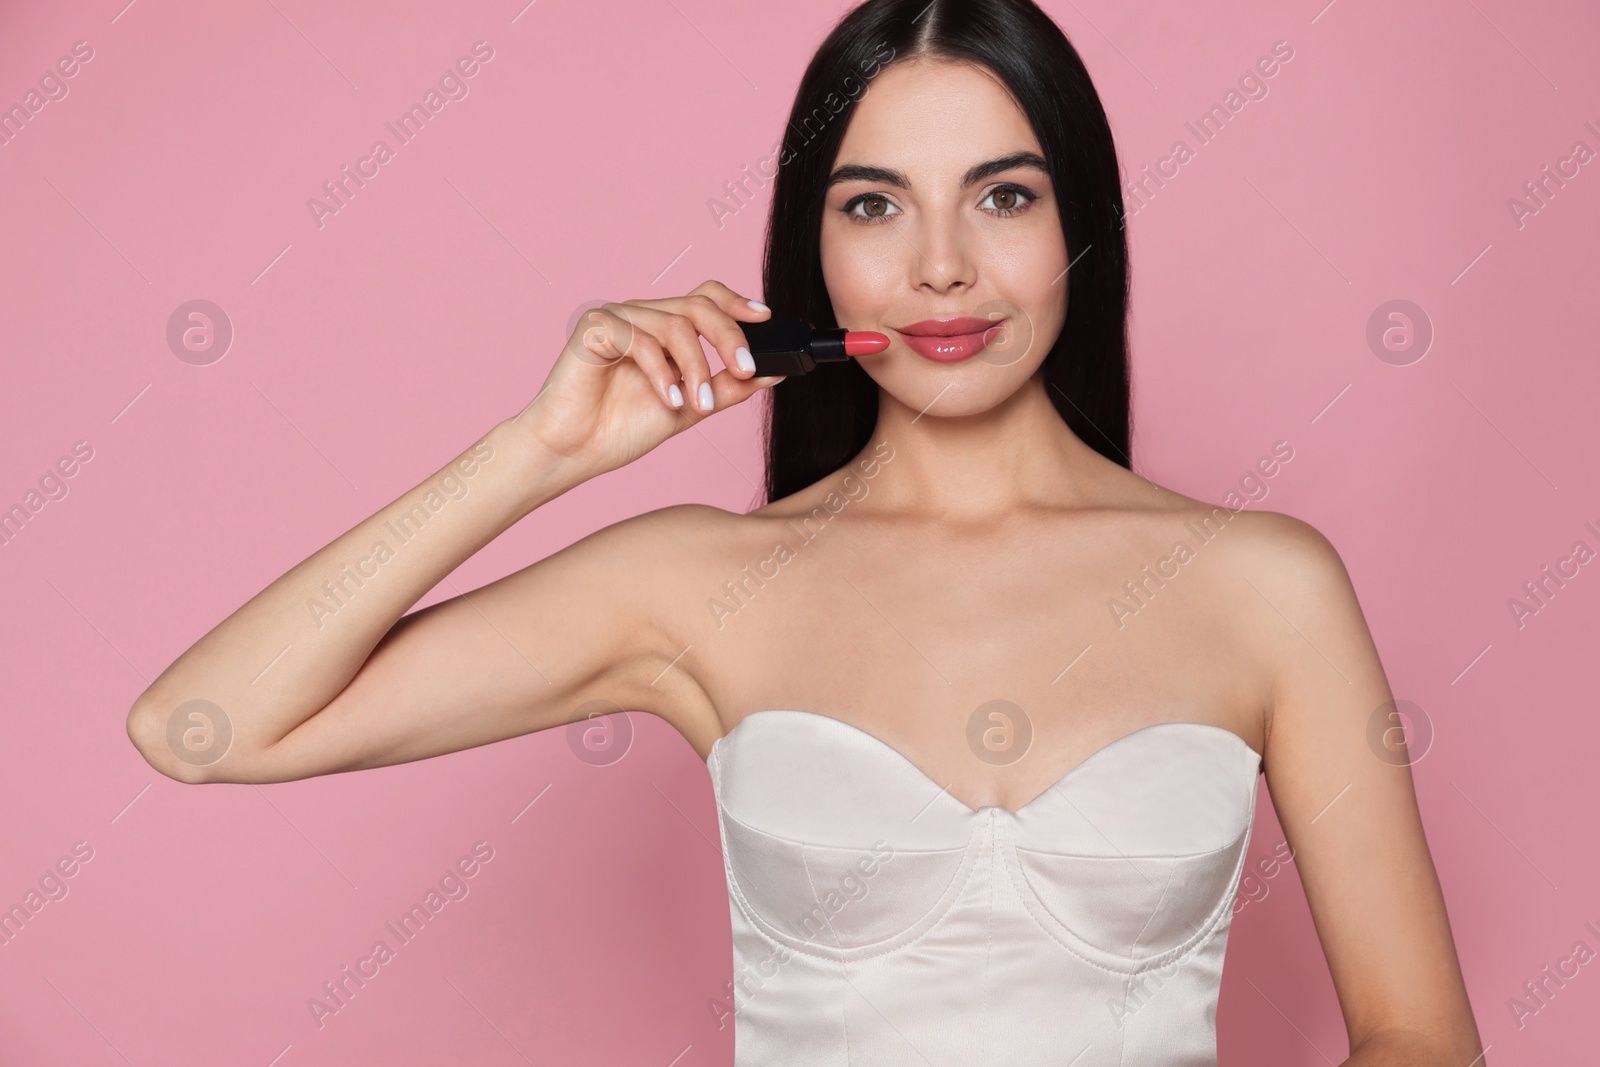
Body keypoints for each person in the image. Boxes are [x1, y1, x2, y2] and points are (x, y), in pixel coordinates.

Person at [127, 0, 1487, 1062]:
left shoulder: (1266, 586)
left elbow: (1419, 1034)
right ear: (812, 251)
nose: (942, 263)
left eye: (1004, 195)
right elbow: (206, 725)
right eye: (874, 204)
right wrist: (531, 455)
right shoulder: (692, 583)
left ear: (1081, 225)